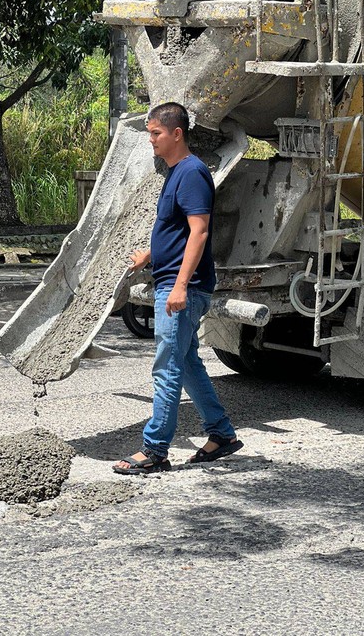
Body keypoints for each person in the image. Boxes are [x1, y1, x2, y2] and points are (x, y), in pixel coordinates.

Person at [113, 102, 243, 475]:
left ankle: (155, 450)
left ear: (176, 134)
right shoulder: (175, 174)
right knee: (185, 364)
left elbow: (199, 231)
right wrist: (150, 255)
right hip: (169, 277)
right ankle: (222, 435)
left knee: (167, 367)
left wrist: (180, 285)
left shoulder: (191, 173)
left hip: (181, 285)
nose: (151, 139)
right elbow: (179, 232)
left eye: (155, 133)